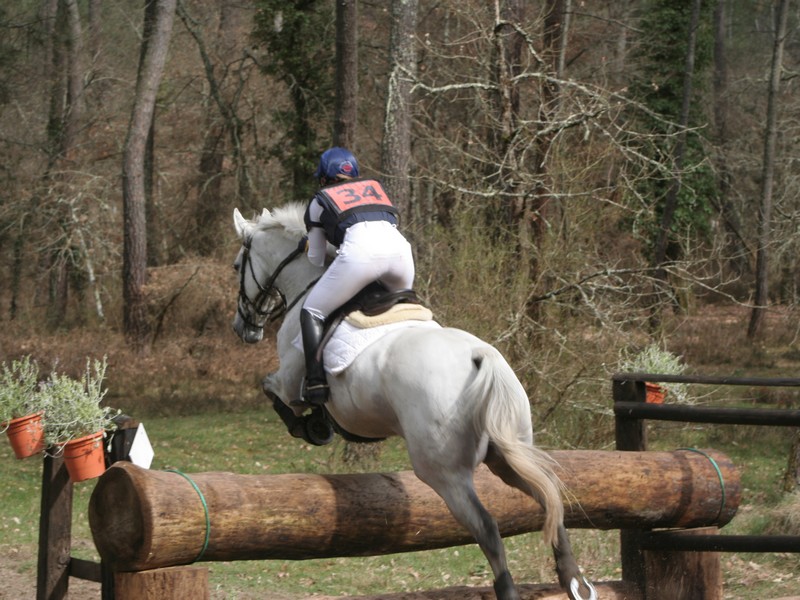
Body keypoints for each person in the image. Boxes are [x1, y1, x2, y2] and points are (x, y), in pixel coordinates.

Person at [293, 147, 415, 409]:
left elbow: (315, 258)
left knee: (312, 310)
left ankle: (315, 384)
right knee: (408, 314)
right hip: (403, 257)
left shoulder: (320, 199)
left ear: (324, 177)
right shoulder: (376, 189)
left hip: (360, 257)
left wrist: (308, 244)